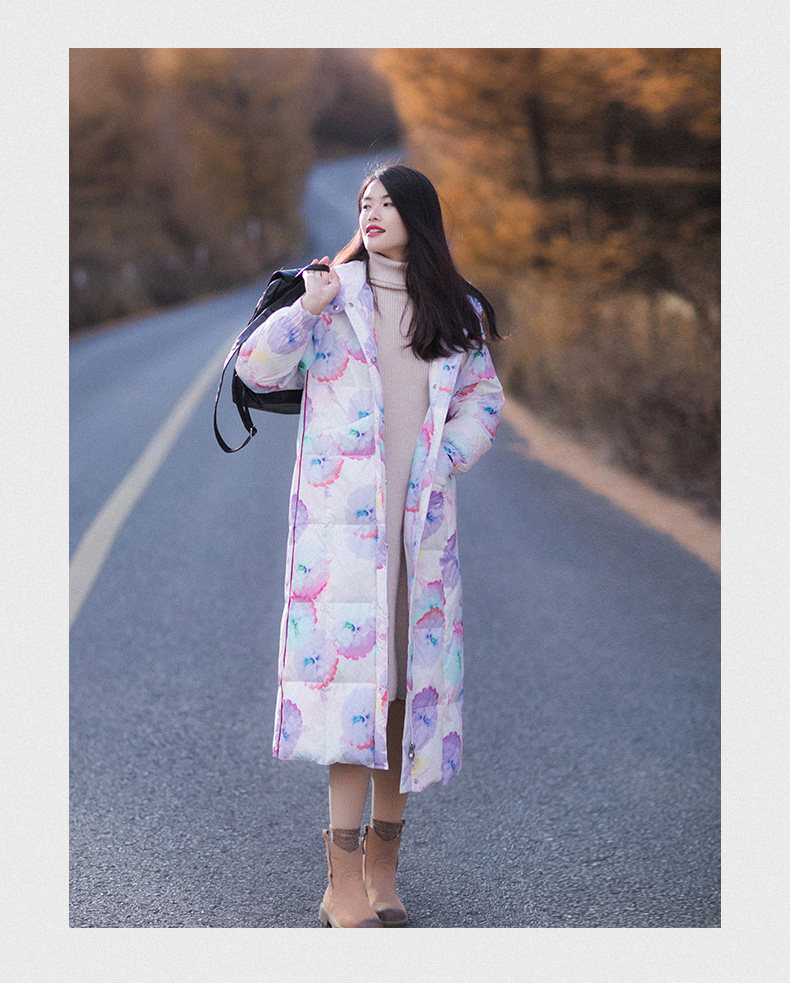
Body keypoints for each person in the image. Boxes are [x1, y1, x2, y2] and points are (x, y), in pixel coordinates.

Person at [234, 163, 505, 927]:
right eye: (364, 202)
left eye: (387, 201)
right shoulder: (333, 293)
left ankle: (383, 873)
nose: (373, 211)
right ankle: (341, 880)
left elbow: (484, 399)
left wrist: (446, 457)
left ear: (420, 213)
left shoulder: (456, 307)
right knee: (354, 698)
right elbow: (256, 368)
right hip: (344, 540)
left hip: (421, 537)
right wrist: (303, 308)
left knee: (403, 700)